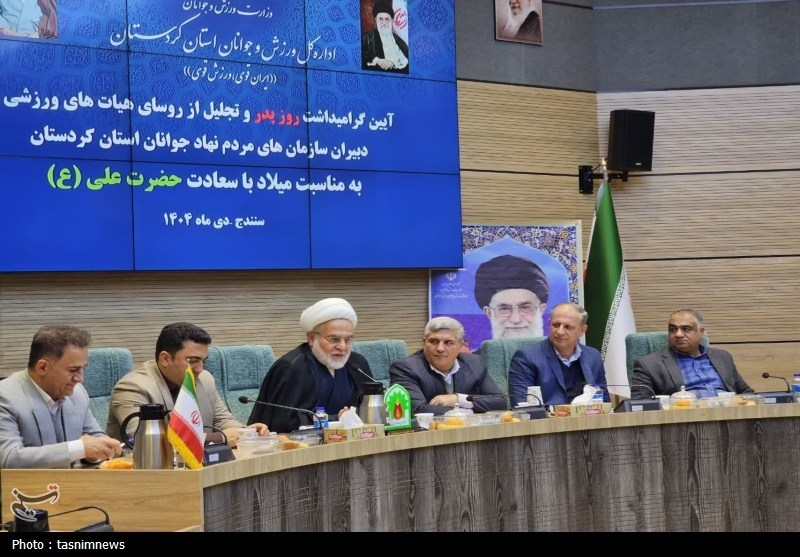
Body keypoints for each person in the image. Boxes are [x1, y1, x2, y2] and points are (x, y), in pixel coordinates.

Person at [108, 322, 269, 448]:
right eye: (192, 360)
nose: (200, 369)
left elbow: (222, 420)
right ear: (165, 359)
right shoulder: (132, 387)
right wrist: (221, 438)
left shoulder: (205, 379)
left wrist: (247, 432)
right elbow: (147, 442)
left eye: (203, 361)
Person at [0, 325, 122, 469]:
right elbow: (8, 458)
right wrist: (79, 448)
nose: (80, 379)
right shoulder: (5, 397)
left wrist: (97, 451)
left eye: (83, 369)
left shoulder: (77, 393)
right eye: (73, 370)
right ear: (42, 367)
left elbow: (95, 438)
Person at [248, 298, 376, 433]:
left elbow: (371, 410)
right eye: (334, 339)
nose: (342, 347)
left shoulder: (357, 364)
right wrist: (337, 419)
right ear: (311, 338)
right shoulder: (293, 367)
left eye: (348, 339)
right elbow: (284, 423)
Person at [389, 316, 507, 416]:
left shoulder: (475, 363)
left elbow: (500, 402)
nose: (440, 348)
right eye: (433, 341)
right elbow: (417, 410)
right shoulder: (405, 368)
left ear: (460, 345)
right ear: (424, 342)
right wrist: (466, 412)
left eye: (448, 343)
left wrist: (457, 399)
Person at [630, 309, 754, 399]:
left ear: (701, 332)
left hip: (728, 413)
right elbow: (640, 404)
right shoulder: (649, 364)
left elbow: (747, 393)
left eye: (686, 329)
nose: (678, 334)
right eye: (673, 329)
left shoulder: (722, 357)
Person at [507, 302, 607, 406]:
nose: (560, 332)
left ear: (582, 330)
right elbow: (522, 406)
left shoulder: (593, 356)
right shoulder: (526, 357)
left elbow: (604, 400)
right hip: (547, 416)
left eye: (567, 327)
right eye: (555, 325)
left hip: (588, 415)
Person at [474, 254, 549, 340]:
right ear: (489, 313)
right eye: (504, 309)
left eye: (525, 308)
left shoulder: (556, 349)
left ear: (541, 310)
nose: (516, 319)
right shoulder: (474, 350)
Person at [361, 1, 409, 74]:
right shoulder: (366, 37)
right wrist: (377, 60)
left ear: (391, 21)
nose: (384, 23)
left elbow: (407, 58)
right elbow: (360, 53)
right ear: (376, 20)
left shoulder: (399, 40)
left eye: (387, 19)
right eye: (380, 19)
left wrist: (393, 63)